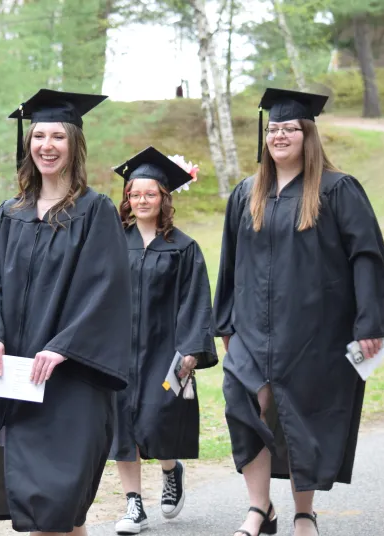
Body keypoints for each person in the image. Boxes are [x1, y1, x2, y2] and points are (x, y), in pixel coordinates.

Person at [212, 88, 384, 536]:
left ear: (308, 134)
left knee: (302, 418)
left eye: (289, 129)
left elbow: (366, 256)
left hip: (313, 331)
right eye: (273, 129)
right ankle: (259, 509)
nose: (279, 136)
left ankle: (303, 513)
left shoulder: (337, 190)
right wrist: (225, 323)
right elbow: (230, 261)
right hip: (251, 330)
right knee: (243, 410)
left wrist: (370, 322)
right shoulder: (247, 194)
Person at [0, 89, 132, 536]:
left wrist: (62, 347)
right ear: (28, 143)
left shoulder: (94, 211)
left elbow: (107, 289)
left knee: (57, 504)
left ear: (74, 144)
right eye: (39, 135)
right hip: (19, 376)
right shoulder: (11, 212)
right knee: (56, 512)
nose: (47, 145)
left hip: (71, 380)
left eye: (58, 135)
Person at [109, 147, 218, 534]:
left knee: (158, 420)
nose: (141, 200)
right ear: (127, 198)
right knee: (123, 427)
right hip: (118, 349)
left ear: (164, 198)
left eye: (150, 194)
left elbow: (196, 299)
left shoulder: (183, 248)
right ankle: (134, 505)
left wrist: (191, 349)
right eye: (135, 194)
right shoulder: (111, 242)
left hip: (164, 348)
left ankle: (171, 469)